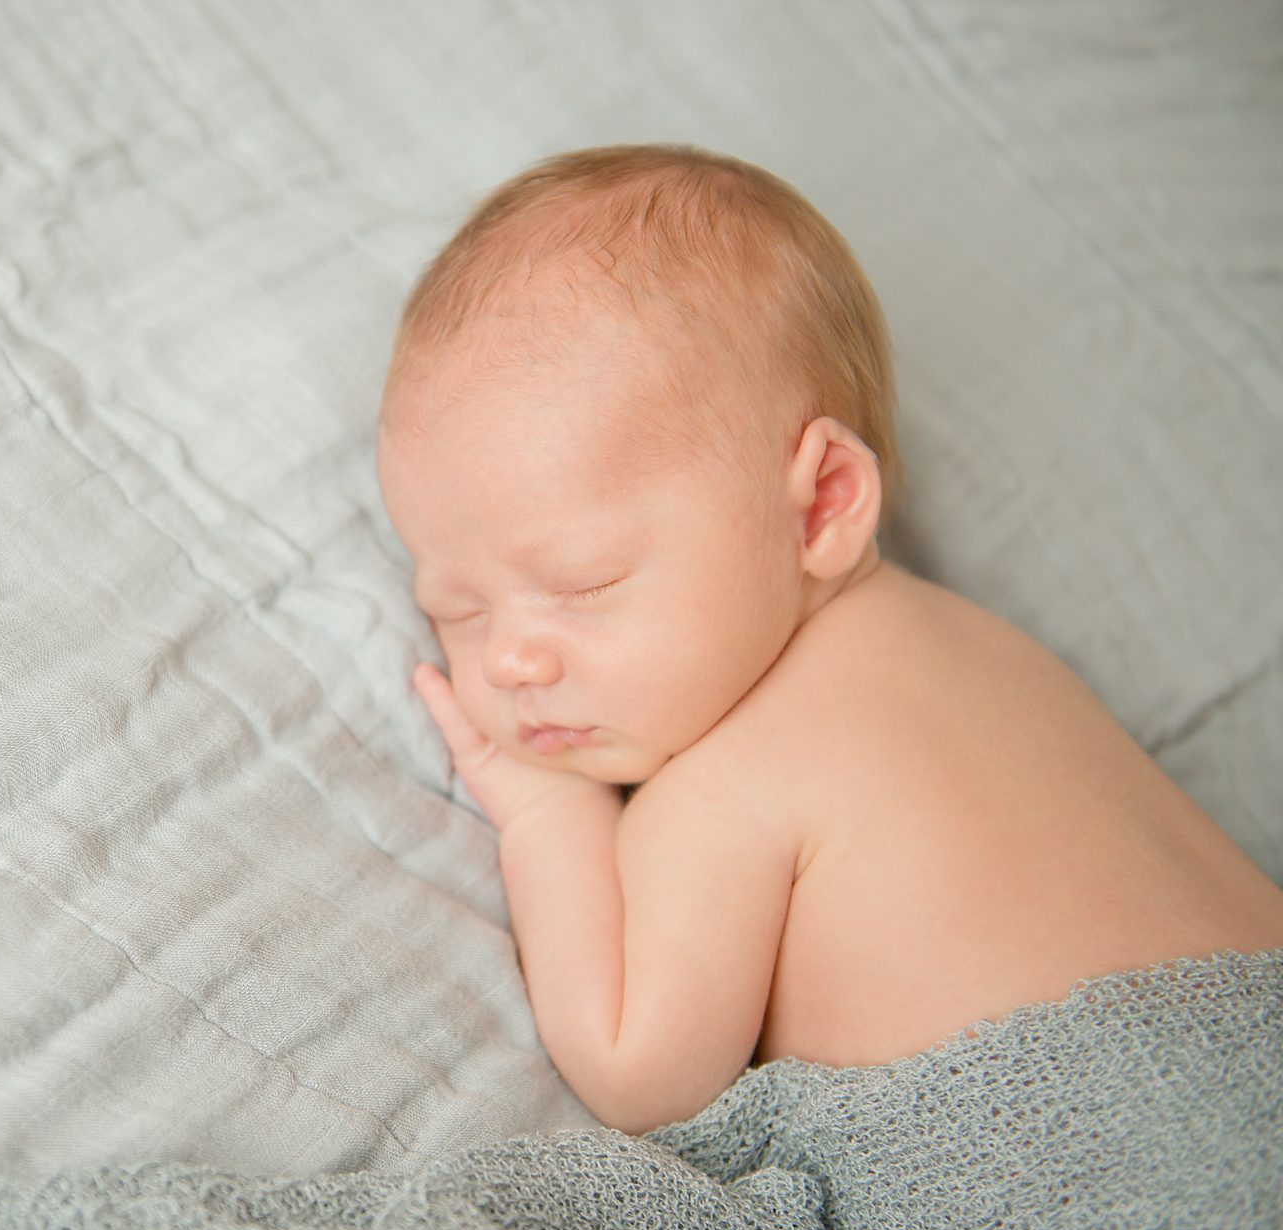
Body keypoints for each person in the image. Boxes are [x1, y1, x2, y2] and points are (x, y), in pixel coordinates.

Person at [377, 144, 1283, 1134]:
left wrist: (548, 814)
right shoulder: (986, 650)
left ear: (820, 505)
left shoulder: (724, 785)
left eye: (582, 582)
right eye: (459, 611)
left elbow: (637, 1074)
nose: (509, 661)